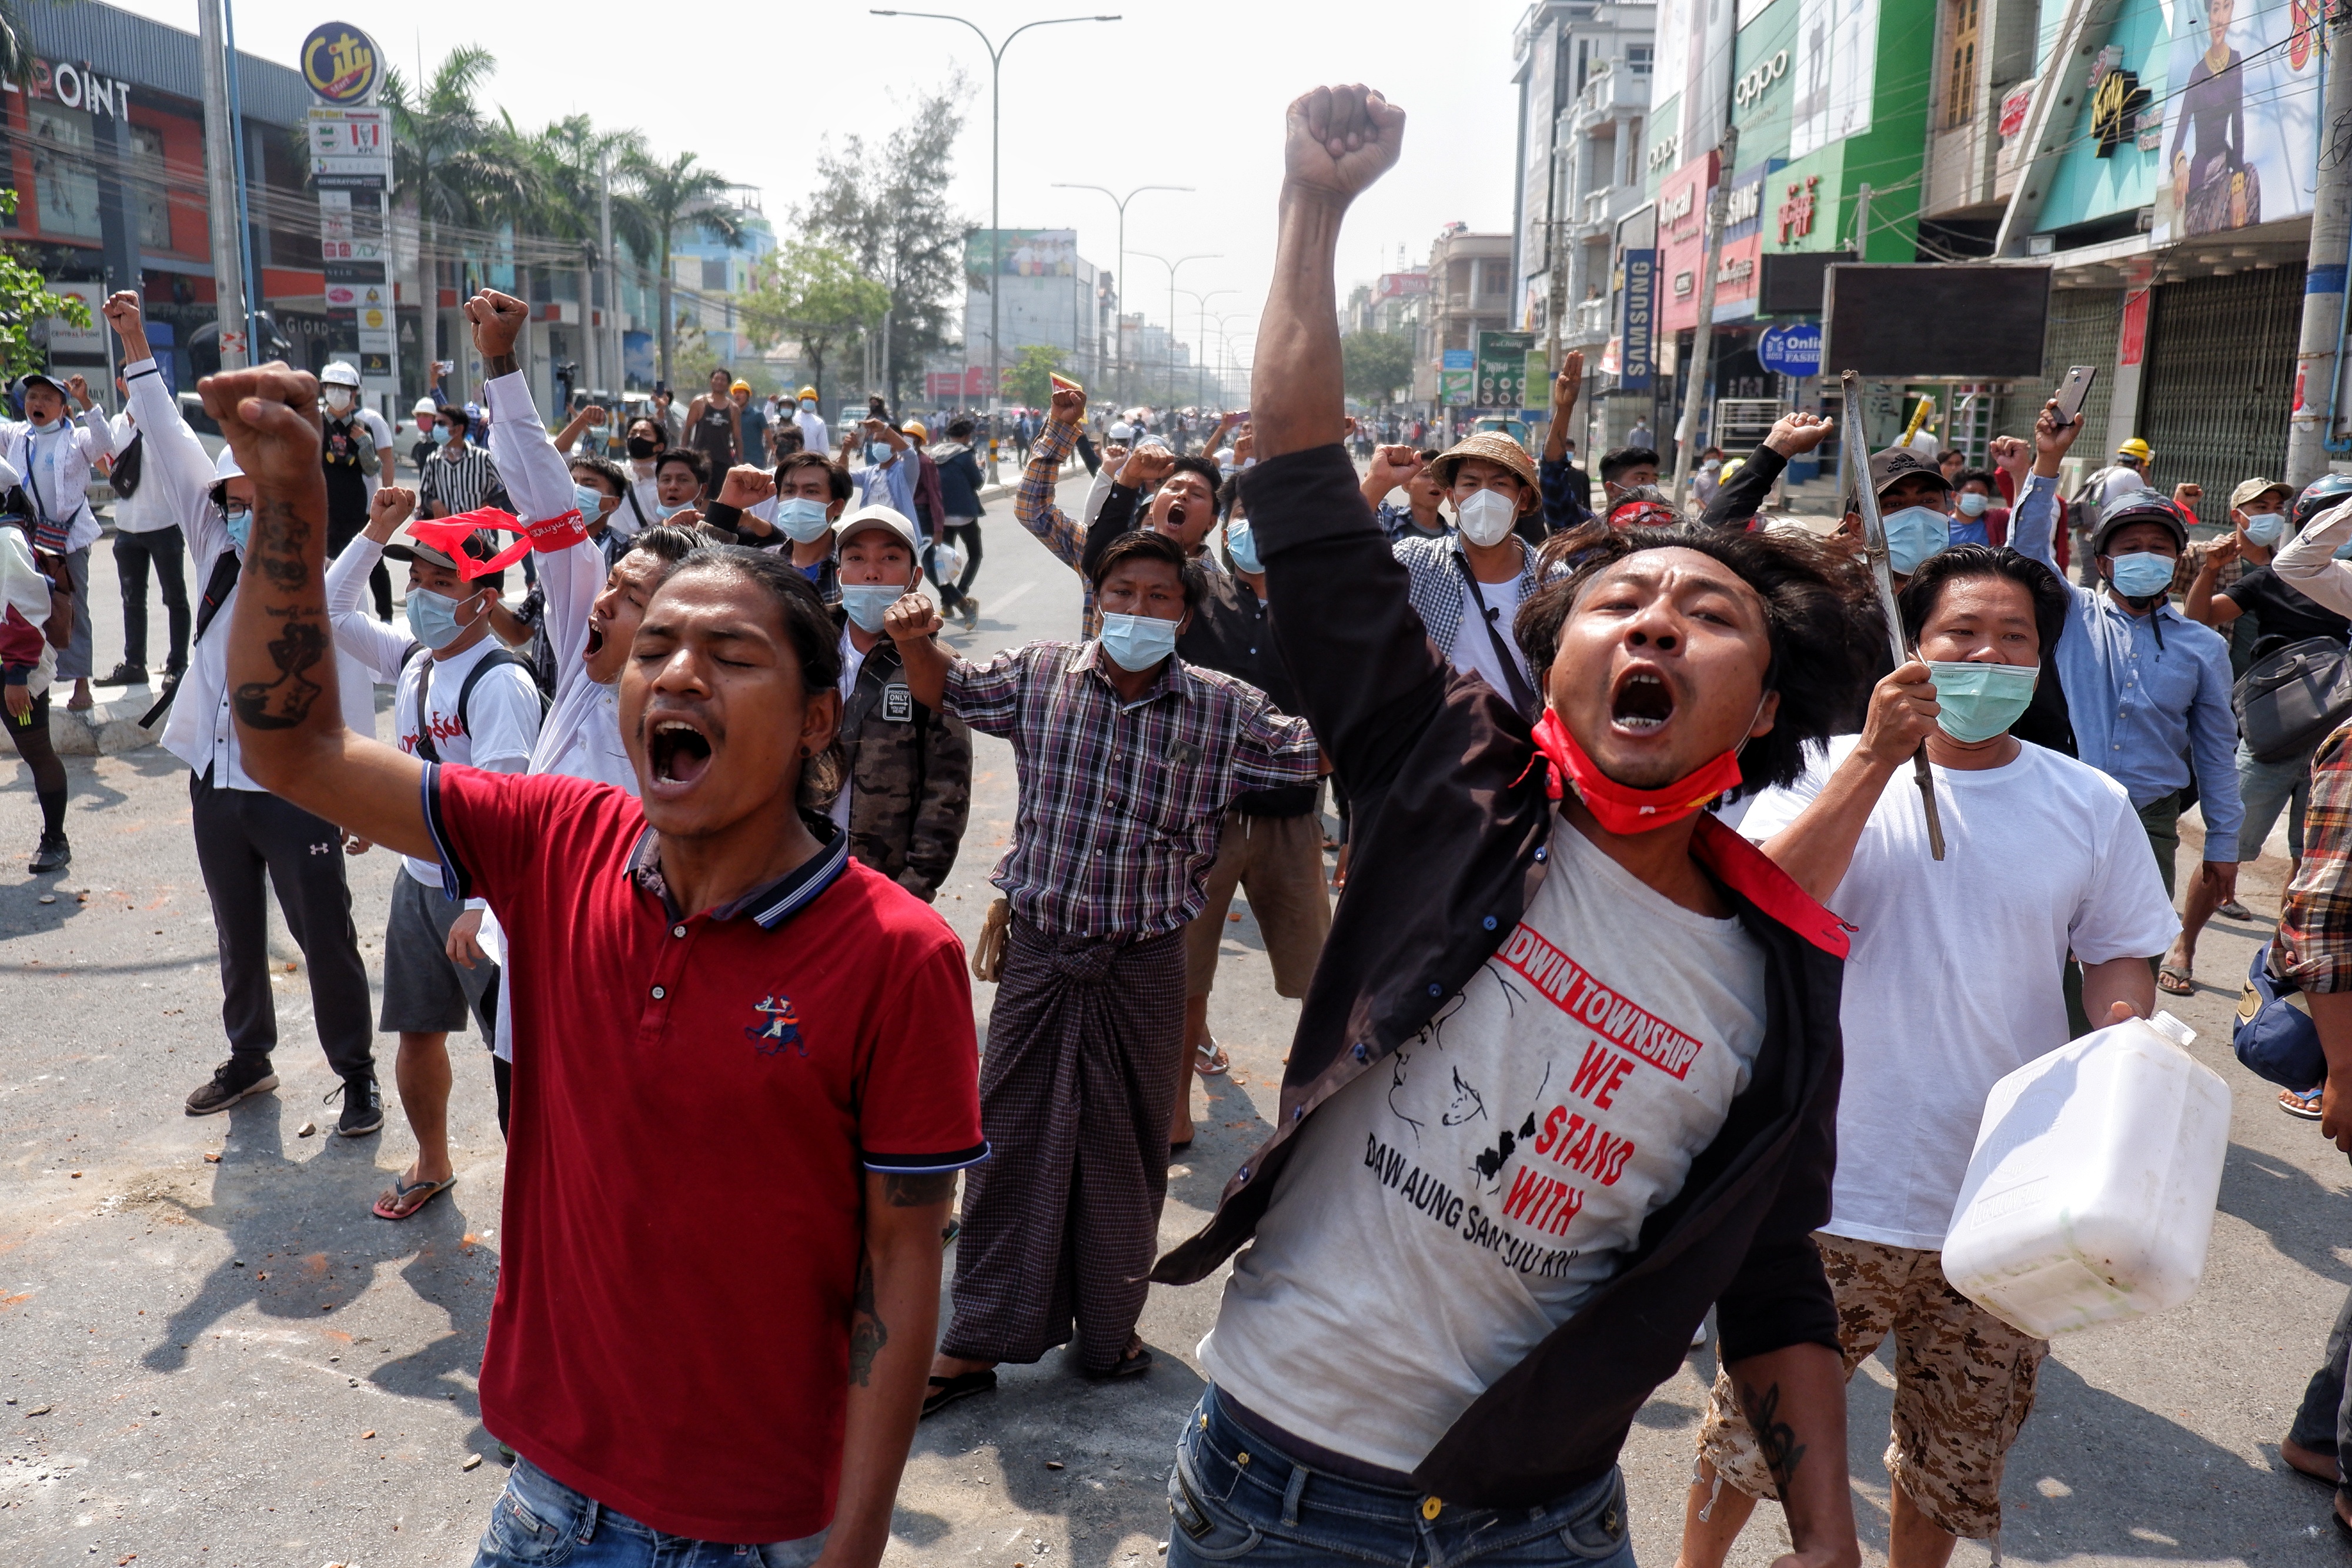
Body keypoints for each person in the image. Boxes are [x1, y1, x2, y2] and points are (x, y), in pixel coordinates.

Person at [1149, 83, 1871, 1568]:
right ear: (1557, 661)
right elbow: (1295, 492)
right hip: (1282, 1489)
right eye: (1617, 603)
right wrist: (1312, 207)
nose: (1653, 624)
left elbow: (1775, 1279)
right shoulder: (1446, 774)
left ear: (1760, 702)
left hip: (1543, 1523)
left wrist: (1825, 1538)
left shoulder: (1782, 978)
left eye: (1704, 613)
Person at [200, 352, 984, 1568]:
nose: (677, 670)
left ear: (816, 717)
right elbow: (296, 748)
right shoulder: (554, 839)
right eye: (657, 644)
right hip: (546, 1492)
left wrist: (852, 1547)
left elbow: (900, 1261)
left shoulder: (898, 954)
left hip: (755, 1525)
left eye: (730, 654)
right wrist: (297, 496)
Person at [1683, 544, 2176, 1568]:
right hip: (1828, 1186)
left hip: (2007, 1208)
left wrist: (2128, 1028)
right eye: (1962, 634)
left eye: (2016, 641)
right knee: (1751, 1436)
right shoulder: (1818, 769)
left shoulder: (2089, 803)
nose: (1988, 657)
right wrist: (1870, 759)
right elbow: (1764, 906)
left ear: (2042, 663)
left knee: (1954, 1458)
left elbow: (2116, 952)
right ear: (1912, 644)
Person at [895, 527, 1319, 1410]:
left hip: (1146, 962)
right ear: (1097, 599)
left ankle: (1109, 1327)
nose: (1137, 608)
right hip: (1043, 955)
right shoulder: (1038, 673)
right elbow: (948, 689)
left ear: (1187, 615)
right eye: (1122, 590)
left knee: (1125, 1151)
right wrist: (912, 641)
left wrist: (1382, 674)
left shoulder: (1226, 708)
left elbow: (1319, 751)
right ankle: (975, 1339)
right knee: (1009, 1144)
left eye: (1160, 595)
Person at [101, 291, 383, 1132]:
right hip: (215, 780)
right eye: (235, 486)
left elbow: (352, 671)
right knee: (236, 929)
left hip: (296, 784)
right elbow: (172, 436)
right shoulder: (212, 541)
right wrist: (131, 341)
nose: (239, 498)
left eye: (257, 485)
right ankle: (251, 1056)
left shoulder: (319, 566)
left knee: (324, 934)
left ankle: (358, 1074)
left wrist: (358, 781)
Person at [325, 481, 544, 1218]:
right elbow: (330, 611)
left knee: (519, 1056)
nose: (419, 591)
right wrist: (372, 530)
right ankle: (433, 1162)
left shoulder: (500, 683)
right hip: (420, 881)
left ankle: (542, 1198)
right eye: (416, 577)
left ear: (481, 600)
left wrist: (481, 906)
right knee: (417, 1033)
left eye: (438, 580)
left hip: (482, 897)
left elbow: (510, 809)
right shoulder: (416, 660)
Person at [2010, 400, 2242, 999]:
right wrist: (2046, 462)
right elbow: (2028, 553)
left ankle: (2107, 1075)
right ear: (2105, 558)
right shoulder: (2070, 612)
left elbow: (2216, 751)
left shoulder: (2202, 648)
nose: (2146, 555)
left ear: (2177, 560)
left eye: (2159, 547)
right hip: (2057, 811)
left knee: (2127, 966)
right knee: (2041, 962)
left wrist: (2221, 845)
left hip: (2148, 823)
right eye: (2131, 544)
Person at [828, 503, 971, 900]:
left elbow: (948, 788)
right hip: (797, 873)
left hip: (882, 885)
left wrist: (914, 887)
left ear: (915, 577)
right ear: (840, 574)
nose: (872, 571)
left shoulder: (935, 662)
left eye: (890, 557)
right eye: (856, 558)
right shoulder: (804, 644)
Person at [1394, 430, 1553, 718]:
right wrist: (1375, 485)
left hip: (1520, 753)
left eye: (1499, 483)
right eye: (1471, 483)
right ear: (1453, 499)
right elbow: (1343, 583)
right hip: (1434, 751)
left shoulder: (1552, 581)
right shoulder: (1416, 561)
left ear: (1524, 498)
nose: (1484, 496)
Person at [3, 367, 115, 711]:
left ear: (62, 408)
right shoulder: (16, 436)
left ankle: (81, 683)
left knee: (72, 608)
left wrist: (86, 402)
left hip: (69, 540)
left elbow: (106, 445)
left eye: (48, 398)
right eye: (33, 396)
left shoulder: (76, 438)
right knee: (27, 610)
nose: (38, 403)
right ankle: (36, 683)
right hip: (26, 541)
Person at [95, 370, 192, 690]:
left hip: (164, 524)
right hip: (127, 527)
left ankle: (178, 664)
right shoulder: (116, 425)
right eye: (128, 380)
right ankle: (135, 664)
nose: (134, 387)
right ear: (121, 385)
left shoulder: (165, 422)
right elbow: (106, 464)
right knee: (132, 599)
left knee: (174, 597)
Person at [0, 459, 71, 871]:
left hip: (14, 670)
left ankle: (55, 840)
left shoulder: (7, 538)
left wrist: (17, 674)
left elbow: (24, 607)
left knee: (37, 752)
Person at [704, 451, 853, 604]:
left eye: (811, 491)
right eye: (789, 491)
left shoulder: (855, 567)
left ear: (837, 506)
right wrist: (726, 506)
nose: (798, 499)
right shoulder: (761, 565)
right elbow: (702, 579)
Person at [317, 362, 390, 622]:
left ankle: (387, 616)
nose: (337, 393)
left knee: (371, 561)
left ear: (354, 395)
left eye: (344, 389)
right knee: (327, 564)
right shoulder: (315, 424)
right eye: (332, 388)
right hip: (324, 509)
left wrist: (364, 444)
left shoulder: (362, 427)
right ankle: (332, 616)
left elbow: (372, 469)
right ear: (324, 389)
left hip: (355, 508)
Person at [1695, 413, 1836, 530]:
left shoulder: (1759, 522)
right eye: (1730, 484)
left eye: (1735, 482)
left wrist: (1782, 440)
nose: (1737, 491)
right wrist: (1782, 442)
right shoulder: (1701, 481)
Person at [930, 417, 988, 628]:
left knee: (944, 561)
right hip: (964, 515)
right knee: (975, 555)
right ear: (966, 436)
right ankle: (960, 594)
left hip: (940, 516)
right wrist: (980, 468)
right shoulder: (965, 455)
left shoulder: (934, 454)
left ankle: (946, 603)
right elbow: (977, 482)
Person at [417, 403, 512, 520]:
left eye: (442, 424)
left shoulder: (483, 458)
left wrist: (490, 503)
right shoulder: (433, 460)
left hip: (478, 532)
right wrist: (434, 503)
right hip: (447, 533)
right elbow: (425, 492)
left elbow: (510, 486)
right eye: (435, 423)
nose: (436, 428)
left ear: (458, 429)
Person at [1539, 353, 1595, 531]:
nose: (1648, 485)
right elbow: (1552, 471)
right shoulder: (1597, 534)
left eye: (1653, 478)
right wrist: (1564, 409)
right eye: (1640, 477)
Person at [1364, 444, 1449, 541]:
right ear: (1406, 484)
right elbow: (1354, 516)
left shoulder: (1455, 540)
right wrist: (1376, 478)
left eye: (1440, 477)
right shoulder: (1388, 520)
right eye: (1426, 476)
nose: (1435, 482)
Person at [686, 367, 742, 480]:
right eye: (716, 379)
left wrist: (740, 461)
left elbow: (737, 437)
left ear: (728, 385)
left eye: (723, 380)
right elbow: (688, 429)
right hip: (700, 460)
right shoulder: (699, 403)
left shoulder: (733, 408)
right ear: (711, 381)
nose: (719, 382)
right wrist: (684, 454)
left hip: (723, 460)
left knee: (720, 496)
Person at [1945, 467, 2002, 548]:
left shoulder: (1997, 522)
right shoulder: (1941, 526)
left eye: (1982, 494)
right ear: (1954, 495)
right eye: (1971, 492)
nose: (1977, 497)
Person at [734, 379, 769, 467]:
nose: (737, 396)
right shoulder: (731, 415)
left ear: (748, 395)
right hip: (736, 461)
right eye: (735, 393)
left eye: (741, 392)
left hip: (756, 461)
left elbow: (769, 439)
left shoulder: (758, 415)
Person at [794, 384, 829, 456]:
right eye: (806, 398)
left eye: (812, 399)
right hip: (795, 459)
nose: (809, 401)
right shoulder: (794, 418)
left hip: (812, 461)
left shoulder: (819, 422)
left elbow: (824, 449)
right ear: (801, 400)